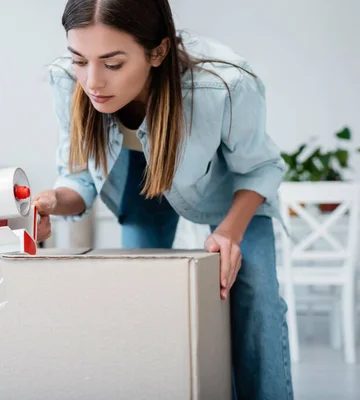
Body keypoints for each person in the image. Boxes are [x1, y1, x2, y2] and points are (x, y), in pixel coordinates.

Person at [32, 0, 294, 399]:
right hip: (138, 179)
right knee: (142, 297)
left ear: (158, 51)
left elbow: (260, 169)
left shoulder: (225, 84)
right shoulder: (68, 81)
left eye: (113, 64)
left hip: (228, 188)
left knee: (255, 294)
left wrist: (228, 234)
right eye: (79, 60)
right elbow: (79, 178)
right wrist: (51, 201)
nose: (93, 82)